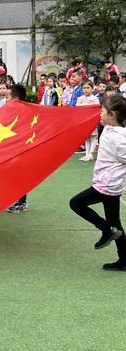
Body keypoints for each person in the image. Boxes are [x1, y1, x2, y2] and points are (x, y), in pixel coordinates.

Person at [69, 95, 126, 271]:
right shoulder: (109, 128)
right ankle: (123, 259)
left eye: (102, 111)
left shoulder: (120, 138)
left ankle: (105, 229)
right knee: (115, 222)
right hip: (108, 183)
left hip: (107, 185)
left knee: (76, 203)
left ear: (112, 114)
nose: (99, 113)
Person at [7, 85, 30, 213]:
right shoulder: (10, 111)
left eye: (8, 97)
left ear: (15, 99)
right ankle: (18, 200)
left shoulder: (24, 112)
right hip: (12, 150)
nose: (6, 100)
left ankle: (22, 202)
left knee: (20, 176)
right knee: (13, 176)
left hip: (21, 150)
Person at [77, 81, 100, 162]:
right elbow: (77, 110)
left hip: (92, 120)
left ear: (92, 89)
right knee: (86, 138)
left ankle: (90, 154)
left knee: (93, 137)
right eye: (84, 88)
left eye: (88, 88)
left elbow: (97, 110)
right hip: (84, 121)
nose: (86, 90)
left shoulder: (95, 99)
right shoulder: (80, 99)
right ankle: (87, 154)